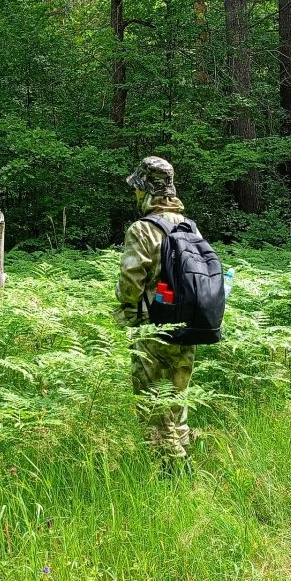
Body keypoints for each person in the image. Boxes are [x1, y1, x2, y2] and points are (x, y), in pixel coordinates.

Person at [115, 156, 198, 476]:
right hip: (189, 325)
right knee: (178, 395)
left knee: (151, 399)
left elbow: (130, 284)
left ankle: (168, 469)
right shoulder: (189, 225)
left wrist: (126, 312)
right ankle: (184, 456)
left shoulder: (143, 229)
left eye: (138, 189)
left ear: (146, 190)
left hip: (151, 328)